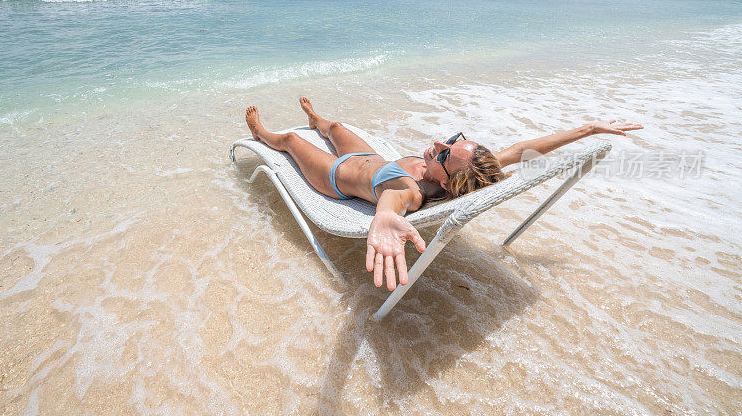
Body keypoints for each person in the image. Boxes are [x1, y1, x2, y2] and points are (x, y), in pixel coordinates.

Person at [244, 98, 643, 291]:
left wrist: (384, 220)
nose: (438, 143)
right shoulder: (468, 169)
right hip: (370, 156)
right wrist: (588, 129)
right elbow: (522, 149)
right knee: (335, 127)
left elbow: (392, 202)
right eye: (455, 140)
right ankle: (321, 121)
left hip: (333, 176)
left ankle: (262, 135)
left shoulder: (411, 191)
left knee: (292, 139)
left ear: (449, 183)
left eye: (446, 152)